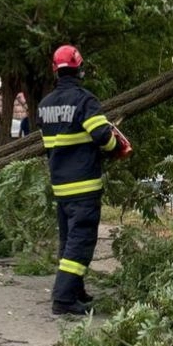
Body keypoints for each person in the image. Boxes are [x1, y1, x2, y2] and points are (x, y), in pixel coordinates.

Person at [38, 44, 132, 316]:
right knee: (80, 241)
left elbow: (50, 144)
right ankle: (63, 299)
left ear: (55, 71)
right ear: (79, 69)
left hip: (61, 186)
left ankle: (76, 290)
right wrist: (116, 147)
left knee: (68, 240)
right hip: (84, 185)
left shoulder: (44, 106)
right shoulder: (84, 101)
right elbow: (102, 135)